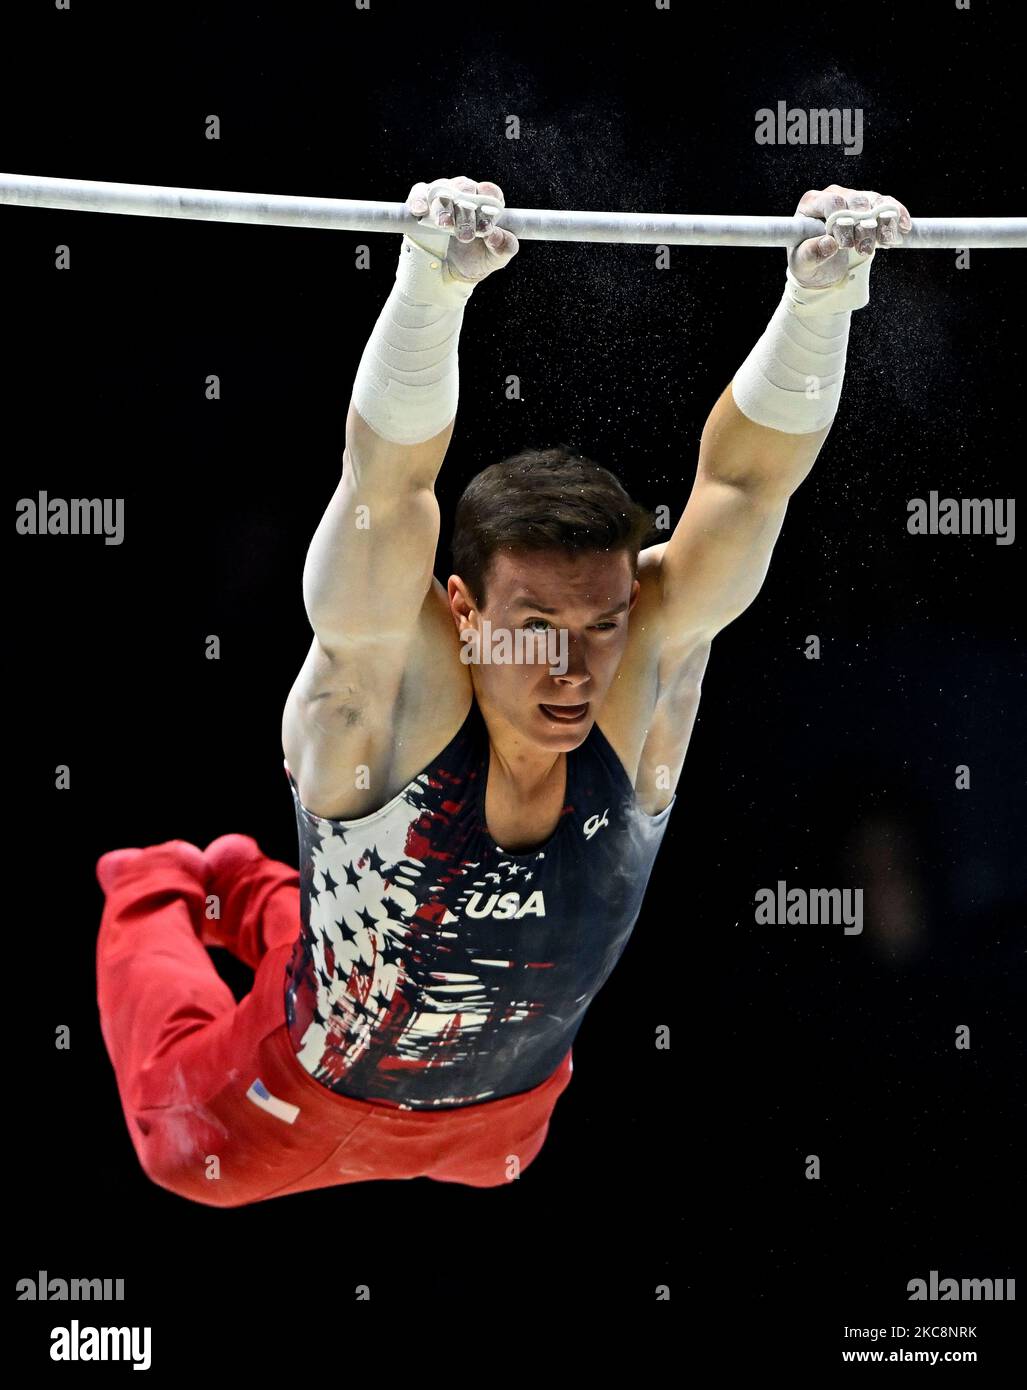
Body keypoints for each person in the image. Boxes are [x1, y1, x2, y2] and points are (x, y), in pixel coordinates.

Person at [96, 173, 911, 1206]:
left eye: (602, 625)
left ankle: (260, 896)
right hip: (278, 1110)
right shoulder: (395, 680)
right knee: (177, 1114)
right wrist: (429, 289)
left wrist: (821, 302)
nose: (574, 672)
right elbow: (380, 489)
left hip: (508, 1130)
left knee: (314, 923)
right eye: (534, 632)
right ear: (463, 612)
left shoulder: (646, 655)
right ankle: (175, 879)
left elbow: (746, 487)